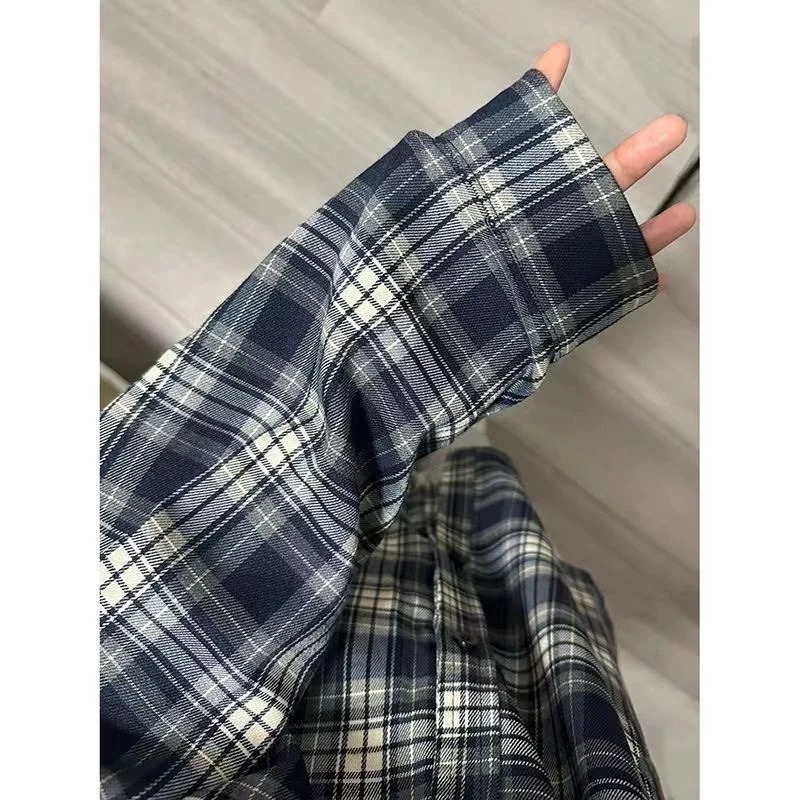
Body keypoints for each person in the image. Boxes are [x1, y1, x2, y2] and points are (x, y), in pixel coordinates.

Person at [99, 42, 695, 800]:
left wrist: (431, 309)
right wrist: (433, 292)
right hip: (456, 687)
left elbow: (134, 650)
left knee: (457, 518)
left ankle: (436, 466)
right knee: (467, 536)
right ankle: (437, 467)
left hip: (410, 653)